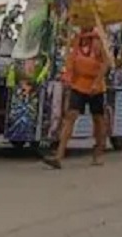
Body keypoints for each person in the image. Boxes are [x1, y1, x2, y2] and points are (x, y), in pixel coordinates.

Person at [46, 27, 112, 168]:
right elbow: (70, 61)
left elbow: (106, 63)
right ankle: (59, 155)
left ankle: (98, 153)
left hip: (96, 88)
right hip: (78, 86)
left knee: (98, 119)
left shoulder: (98, 40)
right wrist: (68, 77)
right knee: (70, 116)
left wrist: (97, 82)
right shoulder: (76, 41)